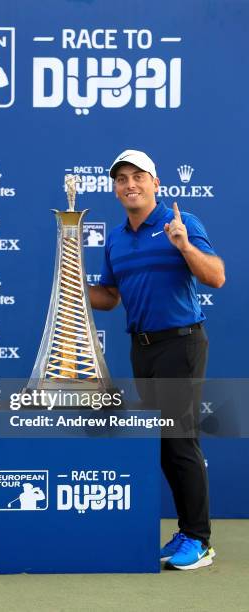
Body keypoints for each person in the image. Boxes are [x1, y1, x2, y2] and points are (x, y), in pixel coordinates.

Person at [88, 150, 225, 570]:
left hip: (181, 343)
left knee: (180, 439)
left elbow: (216, 276)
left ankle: (199, 541)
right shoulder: (115, 238)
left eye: (138, 177)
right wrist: (70, 286)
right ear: (115, 188)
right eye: (121, 179)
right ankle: (186, 531)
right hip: (141, 346)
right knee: (164, 444)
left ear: (155, 183)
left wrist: (183, 246)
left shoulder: (179, 223)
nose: (129, 184)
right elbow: (109, 298)